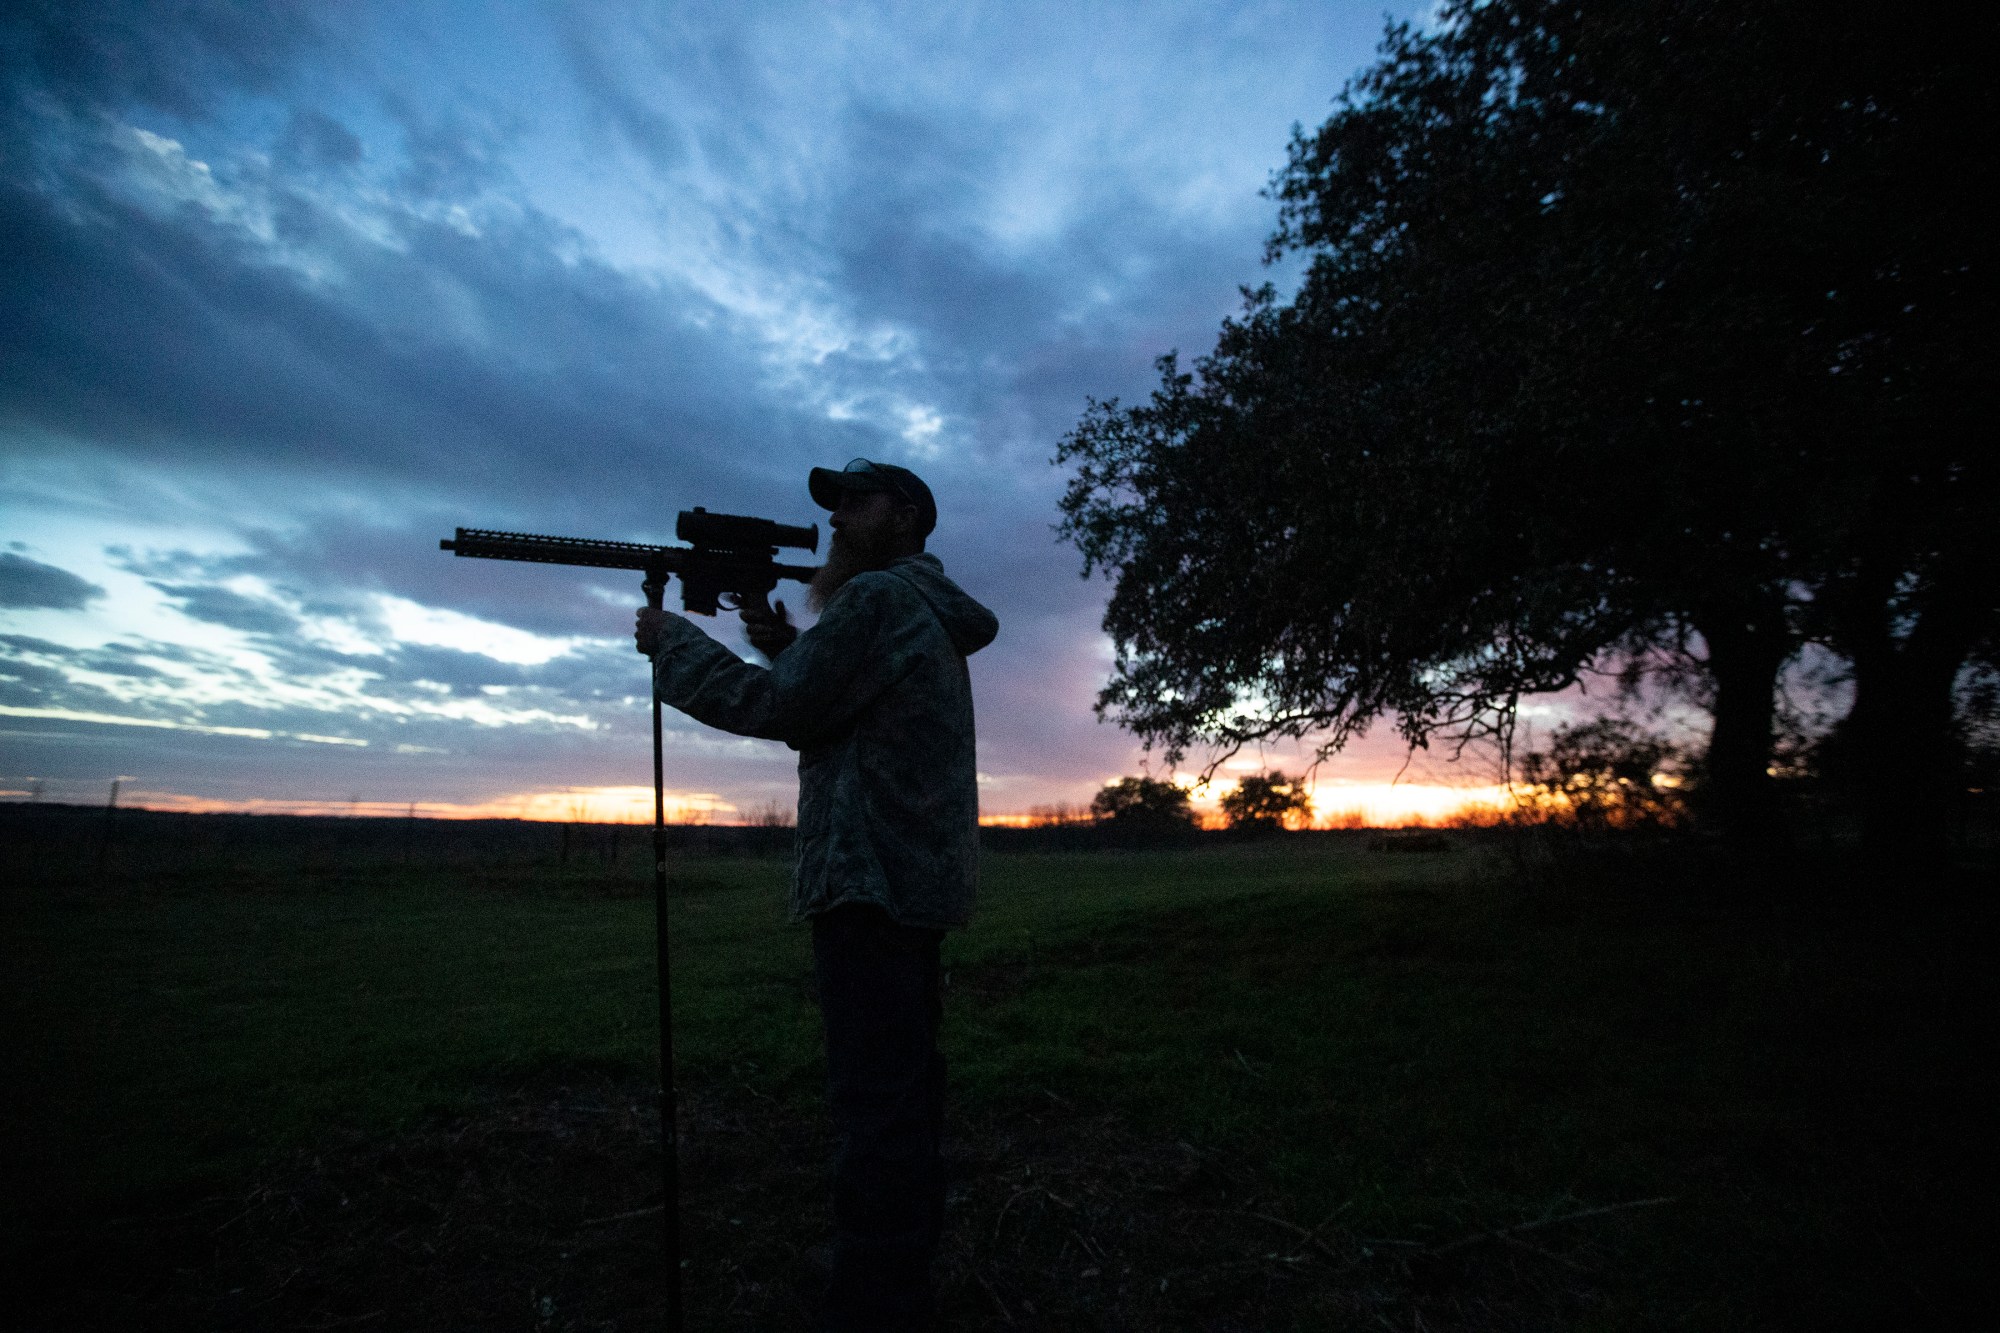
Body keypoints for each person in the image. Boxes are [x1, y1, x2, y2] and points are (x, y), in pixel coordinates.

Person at [634, 457, 998, 1332]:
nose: (836, 519)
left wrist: (671, 642)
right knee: (902, 1098)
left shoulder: (877, 600)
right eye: (831, 506)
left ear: (906, 515)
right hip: (909, 887)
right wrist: (771, 628)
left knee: (875, 1108)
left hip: (865, 884)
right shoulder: (922, 612)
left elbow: (783, 707)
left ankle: (874, 1302)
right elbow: (836, 697)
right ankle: (894, 1273)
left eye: (854, 503)